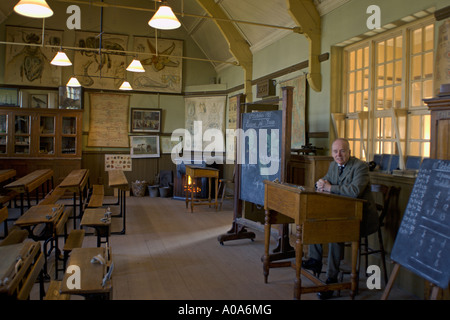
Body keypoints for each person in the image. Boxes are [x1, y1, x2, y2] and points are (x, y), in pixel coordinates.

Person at [302, 138, 379, 299]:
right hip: (341, 213)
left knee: (335, 234)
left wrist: (330, 187)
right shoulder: (333, 165)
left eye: (342, 151)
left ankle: (332, 279)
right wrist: (321, 183)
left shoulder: (360, 167)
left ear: (349, 152)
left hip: (361, 217)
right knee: (315, 219)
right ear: (332, 153)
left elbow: (354, 191)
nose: (339, 155)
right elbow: (326, 180)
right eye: (335, 151)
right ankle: (315, 259)